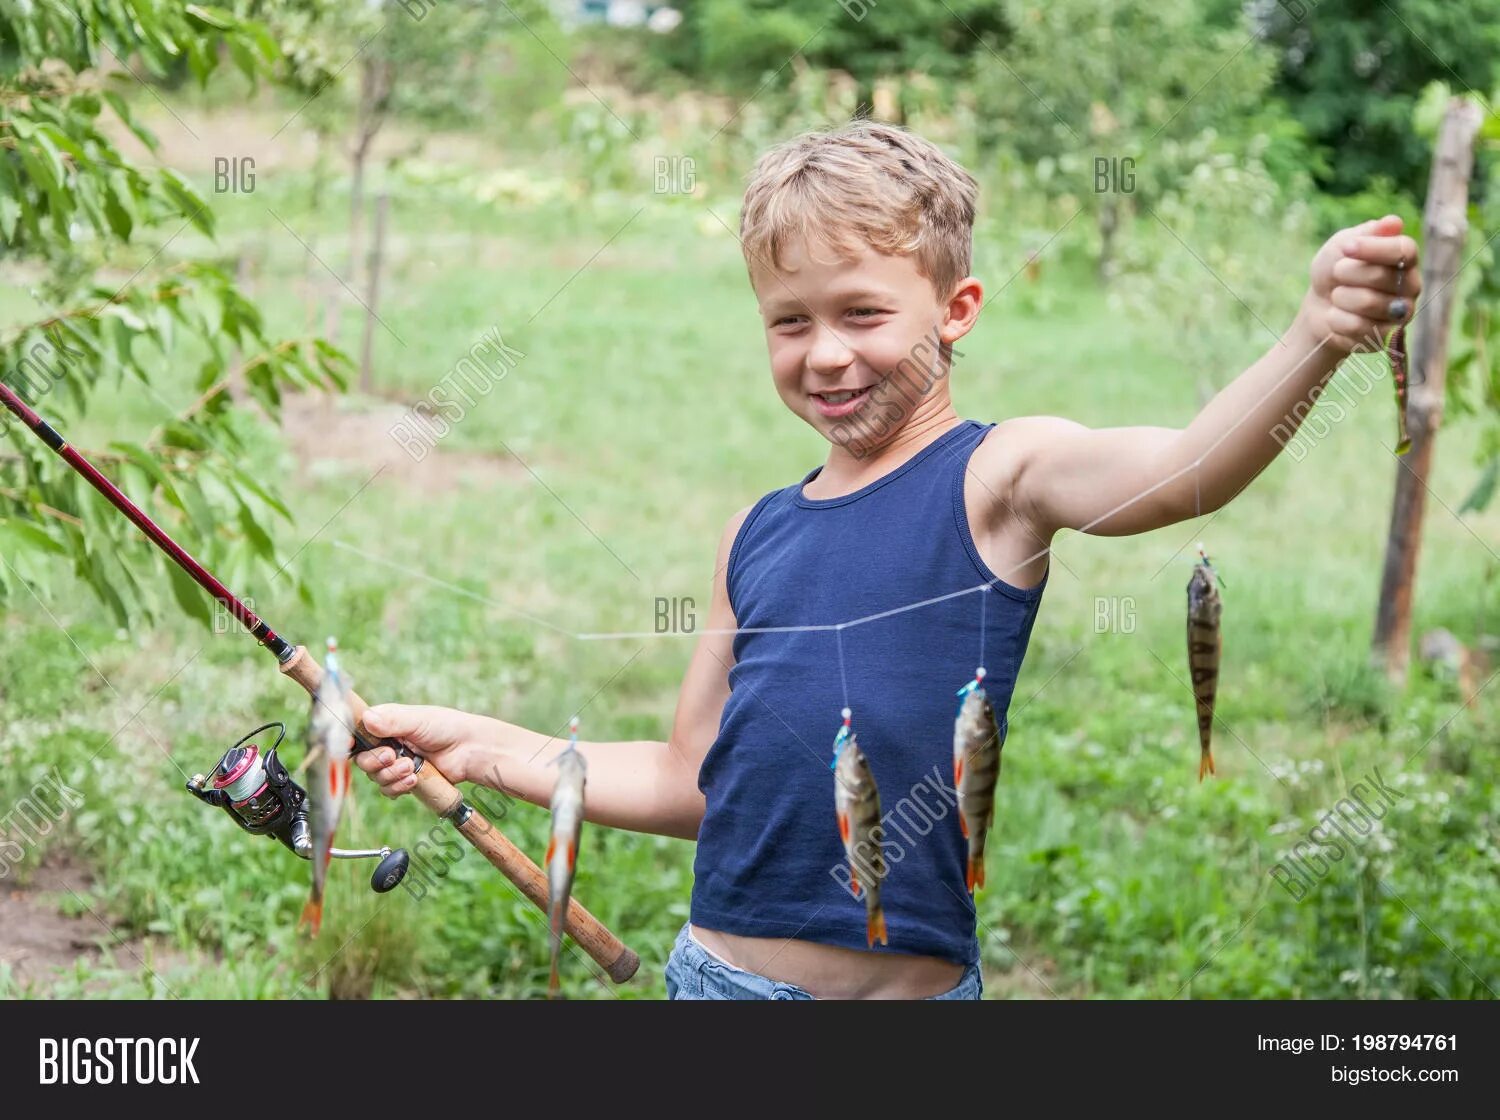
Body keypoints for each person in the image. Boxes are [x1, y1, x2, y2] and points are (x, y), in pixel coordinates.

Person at [354, 120, 1420, 1000]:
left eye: (863, 312)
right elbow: (691, 779)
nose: (824, 353)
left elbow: (1185, 471)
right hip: (720, 989)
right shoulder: (754, 532)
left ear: (955, 313)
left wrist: (1315, 335)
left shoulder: (1001, 478)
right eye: (789, 322)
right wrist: (483, 745)